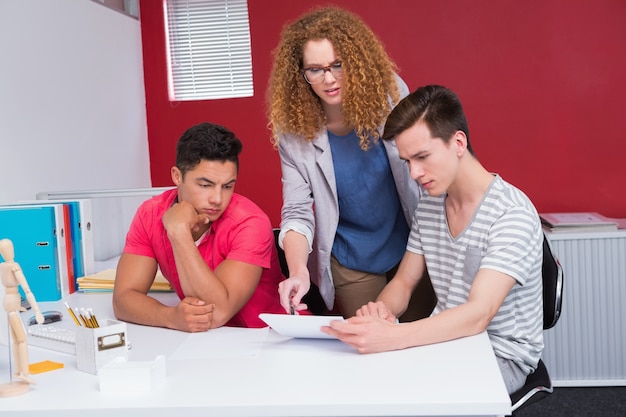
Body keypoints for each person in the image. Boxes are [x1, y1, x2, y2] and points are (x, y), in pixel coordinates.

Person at [322, 85, 544, 395]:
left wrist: (392, 337)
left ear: (458, 142)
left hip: (500, 355)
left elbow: (478, 314)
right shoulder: (430, 204)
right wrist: (381, 313)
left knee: (401, 392)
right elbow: (403, 284)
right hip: (449, 343)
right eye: (407, 161)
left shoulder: (511, 213)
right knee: (363, 382)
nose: (414, 173)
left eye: (422, 157)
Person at [267, 6, 434, 320]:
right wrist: (299, 270)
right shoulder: (293, 135)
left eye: (338, 65)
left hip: (412, 242)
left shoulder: (390, 94)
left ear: (356, 61)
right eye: (315, 69)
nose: (329, 79)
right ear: (299, 74)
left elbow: (427, 165)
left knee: (420, 342)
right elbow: (297, 211)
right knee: (370, 348)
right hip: (351, 258)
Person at [112, 122, 289, 331]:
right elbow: (123, 300)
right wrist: (169, 316)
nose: (217, 199)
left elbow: (216, 314)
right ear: (177, 177)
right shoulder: (149, 214)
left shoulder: (250, 222)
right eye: (205, 185)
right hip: (202, 344)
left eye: (227, 186)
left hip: (270, 338)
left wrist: (179, 232)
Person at [0, 238, 44, 397]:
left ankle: (19, 371)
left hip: (8, 305)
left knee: (15, 340)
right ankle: (23, 372)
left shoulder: (1, 267)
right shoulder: (13, 266)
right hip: (12, 307)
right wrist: (37, 311)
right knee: (22, 339)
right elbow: (27, 290)